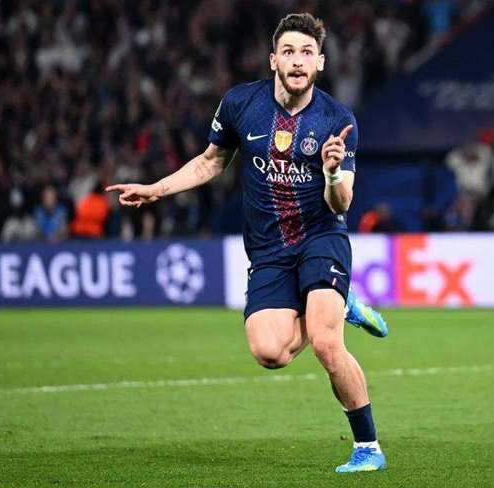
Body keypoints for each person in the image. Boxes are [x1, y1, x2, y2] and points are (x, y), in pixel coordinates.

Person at [107, 13, 388, 473]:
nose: (297, 61)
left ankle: (368, 447)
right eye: (289, 51)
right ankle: (342, 305)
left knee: (325, 343)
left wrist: (333, 171)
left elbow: (341, 203)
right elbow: (210, 161)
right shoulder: (241, 103)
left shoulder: (337, 119)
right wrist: (157, 189)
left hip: (321, 237)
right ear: (273, 59)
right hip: (268, 250)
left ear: (320, 62)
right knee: (270, 353)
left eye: (307, 53)